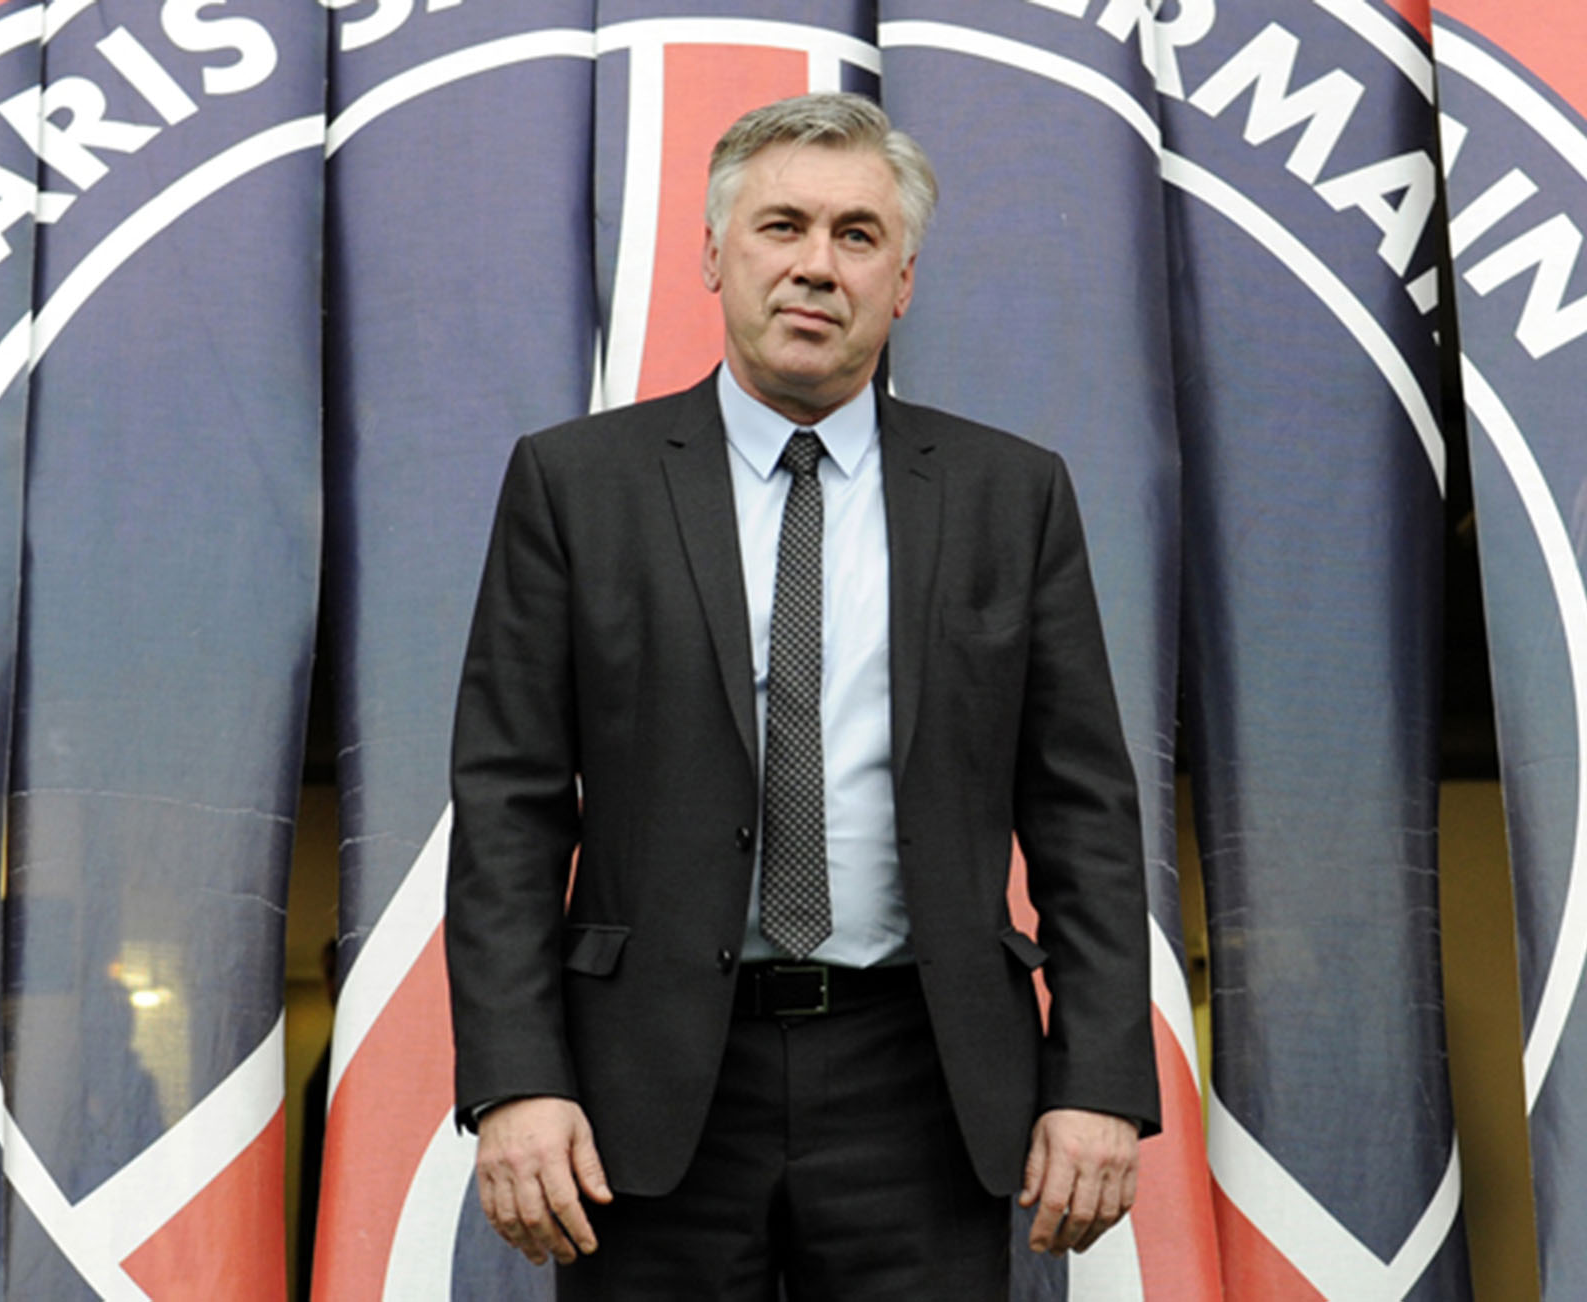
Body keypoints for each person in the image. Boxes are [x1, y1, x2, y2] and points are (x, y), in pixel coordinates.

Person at [445, 91, 1158, 1300]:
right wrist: (517, 1080)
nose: (816, 266)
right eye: (781, 227)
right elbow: (509, 806)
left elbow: (1083, 811)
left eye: (856, 235)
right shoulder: (575, 486)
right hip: (650, 1092)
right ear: (714, 255)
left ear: (904, 279)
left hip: (924, 1080)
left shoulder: (1011, 495)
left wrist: (1095, 1080)